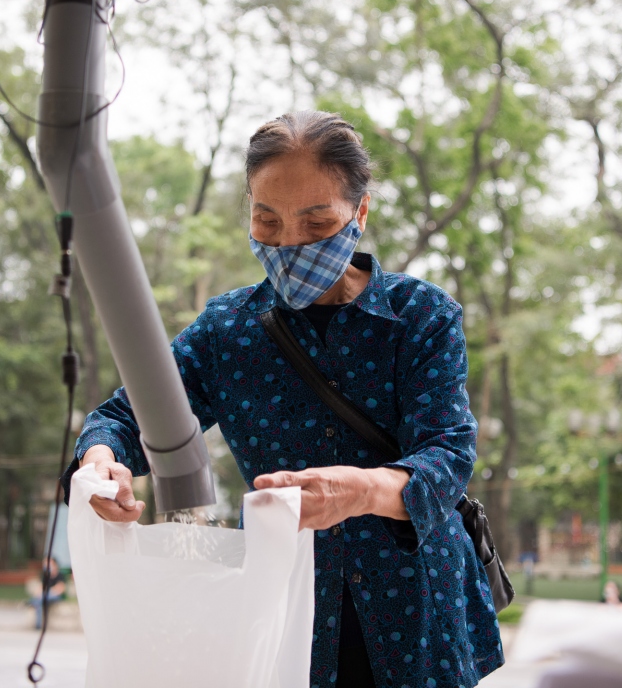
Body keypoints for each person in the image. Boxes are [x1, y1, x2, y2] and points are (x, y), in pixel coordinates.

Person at [68, 111, 504, 688]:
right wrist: (103, 464)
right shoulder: (227, 329)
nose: (290, 243)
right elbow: (124, 417)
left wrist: (362, 490)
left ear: (360, 213)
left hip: (416, 605)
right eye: (267, 220)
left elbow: (447, 455)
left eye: (317, 222)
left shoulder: (420, 317)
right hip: (290, 606)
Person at [29, 557, 67, 630]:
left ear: (55, 565)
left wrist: (48, 591)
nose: (46, 566)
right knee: (39, 601)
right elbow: (40, 588)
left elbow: (60, 589)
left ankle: (32, 602)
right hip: (45, 596)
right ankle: (38, 624)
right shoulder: (45, 576)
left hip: (55, 597)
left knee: (40, 600)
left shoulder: (60, 575)